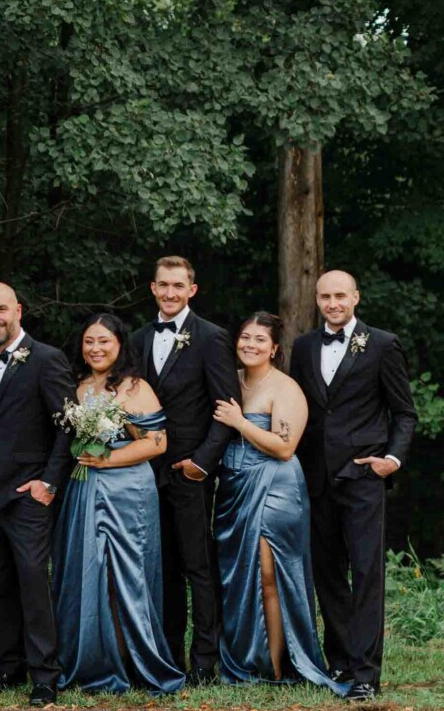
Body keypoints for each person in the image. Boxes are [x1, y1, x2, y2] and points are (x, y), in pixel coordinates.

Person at [289, 271, 417, 701]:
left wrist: (391, 460)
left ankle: (366, 673)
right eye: (325, 296)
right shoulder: (304, 347)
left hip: (363, 477)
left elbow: (405, 413)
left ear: (356, 297)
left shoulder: (382, 344)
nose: (332, 303)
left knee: (365, 575)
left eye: (340, 295)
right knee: (327, 574)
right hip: (315, 477)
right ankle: (340, 659)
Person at [212, 312, 345, 696]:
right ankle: (244, 659)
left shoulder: (285, 388)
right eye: (244, 337)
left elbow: (285, 448)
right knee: (240, 577)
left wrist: (239, 422)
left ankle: (275, 666)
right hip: (233, 488)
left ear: (274, 348)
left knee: (270, 576)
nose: (250, 344)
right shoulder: (230, 381)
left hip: (274, 486)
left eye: (259, 339)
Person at [52, 313, 184, 694]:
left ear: (120, 345)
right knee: (87, 571)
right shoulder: (76, 387)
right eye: (89, 341)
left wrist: (108, 459)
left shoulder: (134, 388)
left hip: (127, 490)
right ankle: (93, 659)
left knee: (124, 575)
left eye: (104, 341)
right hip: (85, 488)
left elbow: (157, 443)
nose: (95, 348)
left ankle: (131, 659)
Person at [129, 256, 238, 683]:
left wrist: (202, 464)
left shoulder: (211, 338)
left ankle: (205, 662)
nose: (170, 292)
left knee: (198, 567)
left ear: (192, 289)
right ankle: (169, 655)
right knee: (162, 567)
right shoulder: (137, 339)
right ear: (152, 289)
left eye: (178, 285)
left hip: (189, 472)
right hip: (143, 472)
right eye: (163, 285)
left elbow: (226, 407)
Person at [0, 283, 73, 707]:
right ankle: (9, 665)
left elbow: (67, 426)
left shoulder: (47, 358)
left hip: (30, 494)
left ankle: (45, 675)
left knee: (33, 583)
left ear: (18, 309)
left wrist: (48, 483)